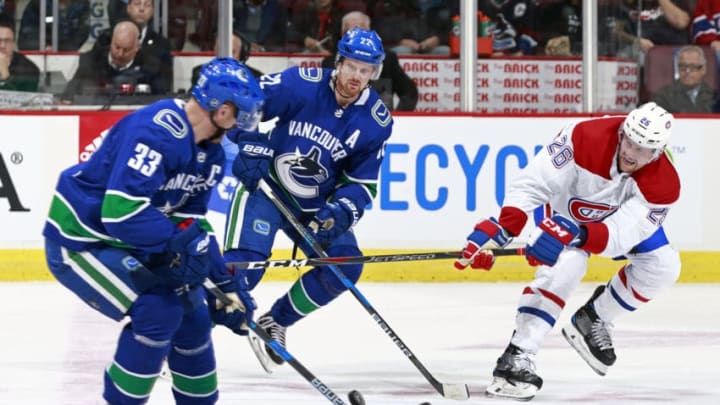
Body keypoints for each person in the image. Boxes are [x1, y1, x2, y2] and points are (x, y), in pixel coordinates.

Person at [43, 57, 265, 405]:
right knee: (159, 311)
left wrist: (225, 284)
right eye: (241, 116)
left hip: (135, 237)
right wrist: (180, 244)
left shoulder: (211, 155)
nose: (242, 127)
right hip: (83, 238)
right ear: (222, 111)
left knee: (195, 316)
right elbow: (120, 213)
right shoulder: (154, 132)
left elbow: (191, 222)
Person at [454, 102, 681, 401]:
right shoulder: (585, 135)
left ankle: (594, 318)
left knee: (664, 265)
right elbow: (535, 182)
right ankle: (517, 355)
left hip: (605, 227)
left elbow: (620, 234)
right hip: (564, 213)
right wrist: (506, 226)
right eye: (628, 140)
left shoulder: (664, 184)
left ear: (657, 152)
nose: (629, 152)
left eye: (641, 149)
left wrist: (580, 234)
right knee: (566, 266)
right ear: (623, 130)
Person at [221, 27, 393, 372]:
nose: (356, 76)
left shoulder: (377, 122)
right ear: (339, 62)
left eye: (366, 70)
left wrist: (343, 210)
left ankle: (277, 321)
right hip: (266, 190)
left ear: (374, 73)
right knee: (241, 273)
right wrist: (249, 141)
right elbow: (243, 102)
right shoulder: (301, 82)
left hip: (315, 206)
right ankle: (180, 340)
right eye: (352, 66)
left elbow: (360, 183)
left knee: (344, 266)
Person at [321, 11, 418, 111]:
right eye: (352, 33)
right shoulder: (329, 63)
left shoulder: (387, 59)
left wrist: (398, 118)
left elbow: (409, 92)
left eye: (361, 33)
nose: (357, 39)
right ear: (342, 35)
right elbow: (323, 98)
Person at [61, 21, 172, 103]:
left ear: (137, 47)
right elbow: (69, 94)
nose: (119, 54)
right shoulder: (91, 60)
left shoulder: (152, 67)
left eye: (126, 50)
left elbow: (161, 99)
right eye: (117, 47)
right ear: (111, 42)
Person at [96, 0, 173, 67]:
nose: (142, 9)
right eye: (137, 4)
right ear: (128, 8)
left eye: (147, 5)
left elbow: (165, 77)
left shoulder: (162, 44)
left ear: (152, 11)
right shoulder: (107, 38)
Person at [652, 45, 716, 113]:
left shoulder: (714, 97)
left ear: (703, 69)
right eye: (683, 66)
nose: (687, 71)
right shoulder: (663, 96)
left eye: (692, 66)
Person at [191, 31, 264, 89]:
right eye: (221, 51)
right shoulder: (200, 72)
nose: (225, 58)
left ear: (241, 55)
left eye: (232, 52)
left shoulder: (256, 77)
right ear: (215, 50)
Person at [17, 0, 90, 51]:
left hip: (69, 56)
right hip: (40, 56)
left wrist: (62, 48)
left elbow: (82, 33)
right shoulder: (38, 4)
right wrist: (45, 47)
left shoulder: (82, 4)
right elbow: (26, 38)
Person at [0, 17, 40, 92]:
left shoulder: (30, 69)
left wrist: (5, 76)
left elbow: (24, 101)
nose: (2, 46)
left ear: (14, 43)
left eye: (7, 40)